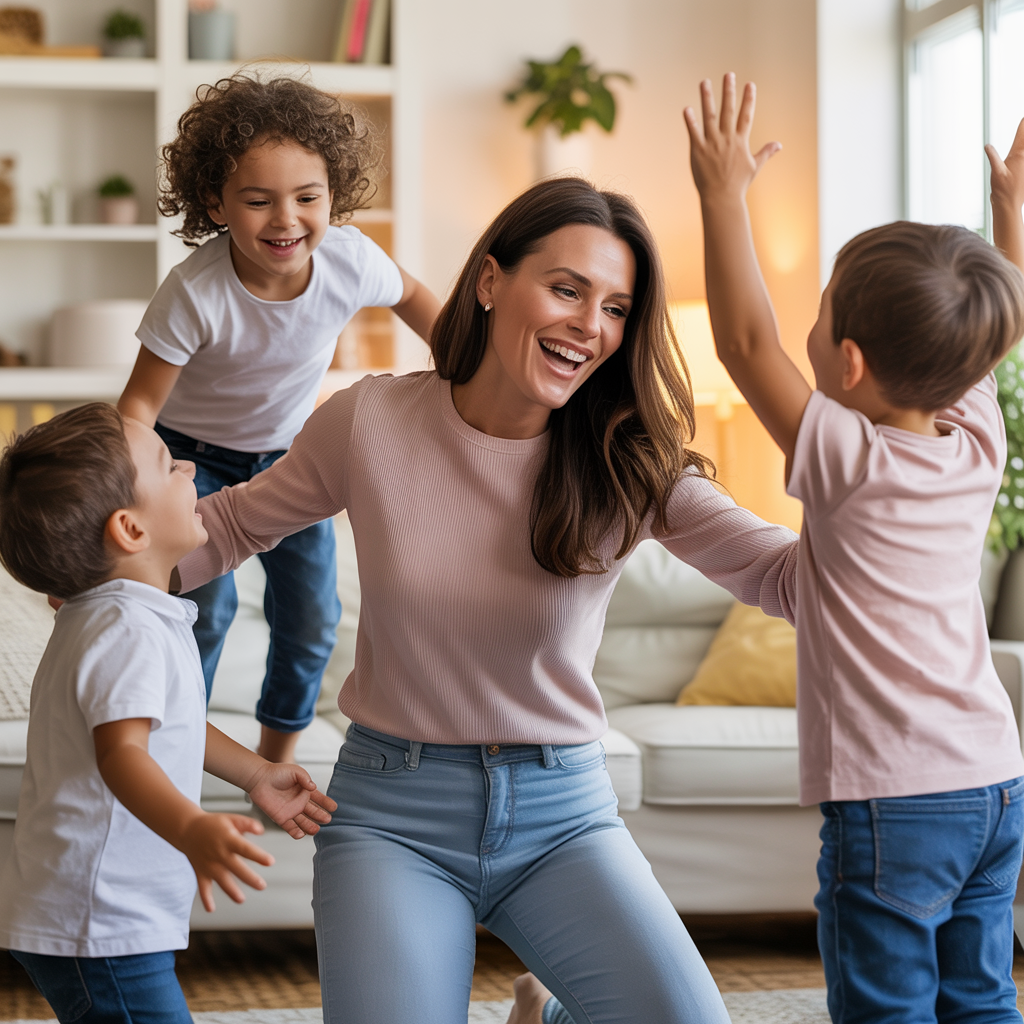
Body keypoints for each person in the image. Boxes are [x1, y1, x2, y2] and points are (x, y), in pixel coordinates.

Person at [171, 175, 799, 1024]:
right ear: (491, 280)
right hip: (392, 815)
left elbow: (782, 575)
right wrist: (101, 567)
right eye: (568, 289)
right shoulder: (372, 421)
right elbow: (232, 527)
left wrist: (897, 503)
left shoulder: (628, 463)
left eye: (616, 308)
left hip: (565, 814)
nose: (590, 324)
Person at [684, 73, 1024, 1023]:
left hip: (896, 801)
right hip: (994, 782)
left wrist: (721, 194)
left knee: (888, 1010)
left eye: (823, 302)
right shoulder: (974, 440)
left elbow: (746, 343)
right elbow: (998, 332)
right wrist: (1010, 217)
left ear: (849, 364)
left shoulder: (851, 456)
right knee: (983, 1000)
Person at [118, 73, 441, 765]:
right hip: (189, 462)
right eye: (258, 200)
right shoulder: (195, 294)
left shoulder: (350, 261)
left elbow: (414, 296)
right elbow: (138, 407)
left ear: (335, 195)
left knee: (313, 617)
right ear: (217, 202)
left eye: (307, 198)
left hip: (293, 460)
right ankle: (180, 759)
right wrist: (123, 503)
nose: (286, 219)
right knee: (206, 617)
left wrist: (469, 363)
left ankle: (275, 763)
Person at [0, 403, 336, 1024]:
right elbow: (122, 754)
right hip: (100, 918)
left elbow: (169, 727)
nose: (187, 466)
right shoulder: (126, 626)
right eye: (166, 463)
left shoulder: (123, 615)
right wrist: (189, 826)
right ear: (130, 530)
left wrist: (257, 774)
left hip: (93, 912)